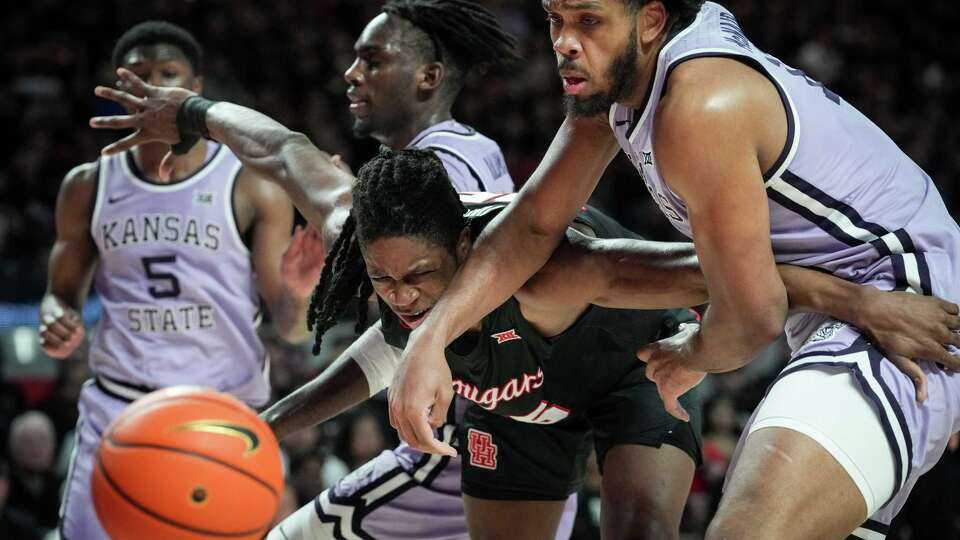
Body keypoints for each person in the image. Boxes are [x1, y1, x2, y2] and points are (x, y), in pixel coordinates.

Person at [384, 2, 960, 539]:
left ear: (651, 20)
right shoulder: (625, 81)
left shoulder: (697, 105)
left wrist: (692, 354)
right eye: (555, 17)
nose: (564, 43)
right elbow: (534, 221)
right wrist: (428, 340)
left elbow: (751, 317)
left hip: (898, 293)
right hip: (839, 300)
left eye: (589, 21)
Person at [261, 148, 948, 540]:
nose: (402, 294)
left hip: (633, 375)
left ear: (465, 248)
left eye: (418, 277)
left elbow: (717, 276)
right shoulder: (380, 252)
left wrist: (862, 301)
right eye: (385, 279)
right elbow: (279, 146)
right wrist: (263, 429)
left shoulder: (551, 273)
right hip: (522, 411)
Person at [88, 3, 528, 538]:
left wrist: (265, 426)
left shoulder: (438, 175)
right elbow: (374, 330)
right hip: (505, 443)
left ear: (427, 77)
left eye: (372, 59)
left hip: (465, 455)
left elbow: (286, 154)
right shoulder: (469, 150)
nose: (351, 73)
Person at [42, 21, 325, 539]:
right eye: (138, 77)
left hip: (221, 411)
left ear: (193, 90)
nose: (151, 87)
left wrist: (302, 291)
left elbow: (290, 328)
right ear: (118, 91)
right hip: (118, 405)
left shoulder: (251, 185)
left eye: (166, 75)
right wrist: (55, 315)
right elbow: (60, 295)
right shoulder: (87, 185)